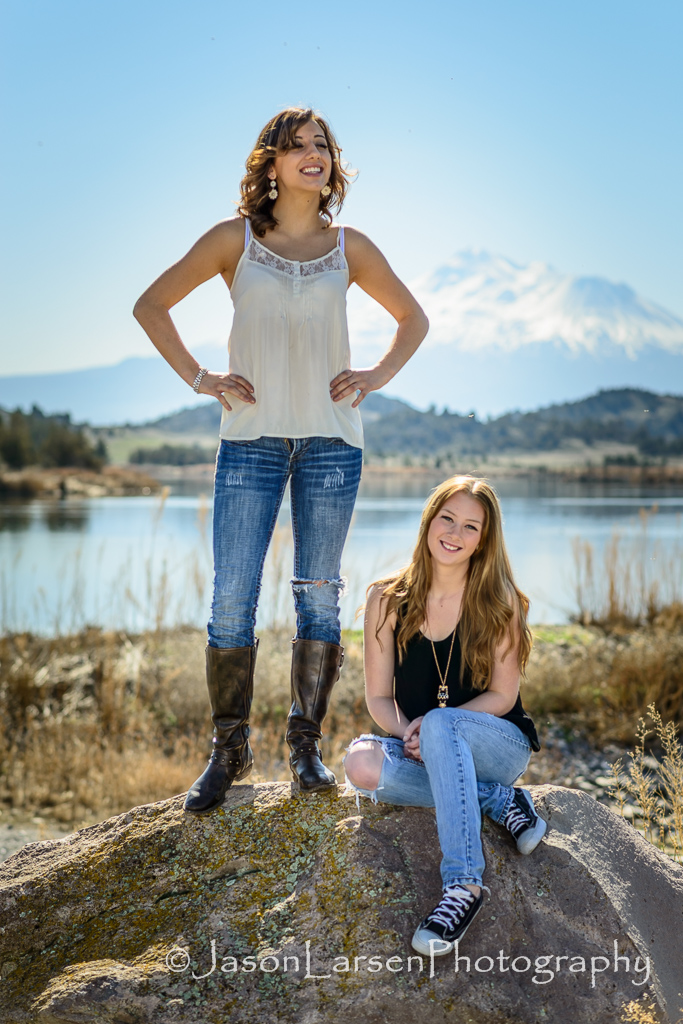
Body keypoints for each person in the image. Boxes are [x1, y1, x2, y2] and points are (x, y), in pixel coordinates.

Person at [133, 107, 428, 813]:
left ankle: (304, 747)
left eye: (321, 144)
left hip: (332, 443)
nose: (312, 154)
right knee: (231, 598)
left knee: (318, 594)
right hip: (250, 441)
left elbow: (413, 319)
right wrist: (201, 379)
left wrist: (376, 375)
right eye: (296, 146)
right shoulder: (232, 240)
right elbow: (150, 306)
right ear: (270, 162)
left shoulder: (350, 247)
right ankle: (228, 750)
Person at [344, 475, 545, 956]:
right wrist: (409, 733)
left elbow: (503, 695)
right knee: (360, 764)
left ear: (484, 540)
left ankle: (463, 886)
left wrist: (438, 724)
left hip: (498, 744)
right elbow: (378, 698)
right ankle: (496, 801)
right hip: (422, 744)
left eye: (470, 526)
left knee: (440, 721)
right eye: (447, 518)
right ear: (428, 521)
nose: (454, 533)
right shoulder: (386, 599)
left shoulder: (500, 602)